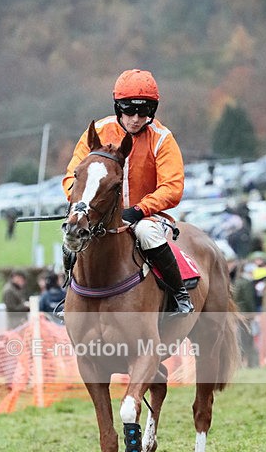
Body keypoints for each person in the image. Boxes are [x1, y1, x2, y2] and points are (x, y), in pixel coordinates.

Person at [62, 68, 193, 314]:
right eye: (129, 110)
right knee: (69, 239)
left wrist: (140, 210)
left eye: (143, 112)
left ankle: (179, 295)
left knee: (146, 234)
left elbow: (173, 186)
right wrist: (82, 205)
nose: (135, 118)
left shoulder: (162, 139)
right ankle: (68, 296)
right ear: (117, 107)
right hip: (97, 214)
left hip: (145, 216)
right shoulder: (98, 132)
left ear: (152, 111)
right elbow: (73, 176)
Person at [232, 263, 259, 368]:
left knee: (242, 338)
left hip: (240, 314)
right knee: (248, 339)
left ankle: (241, 363)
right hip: (246, 315)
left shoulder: (237, 282)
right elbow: (249, 300)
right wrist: (253, 313)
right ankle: (252, 363)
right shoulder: (246, 283)